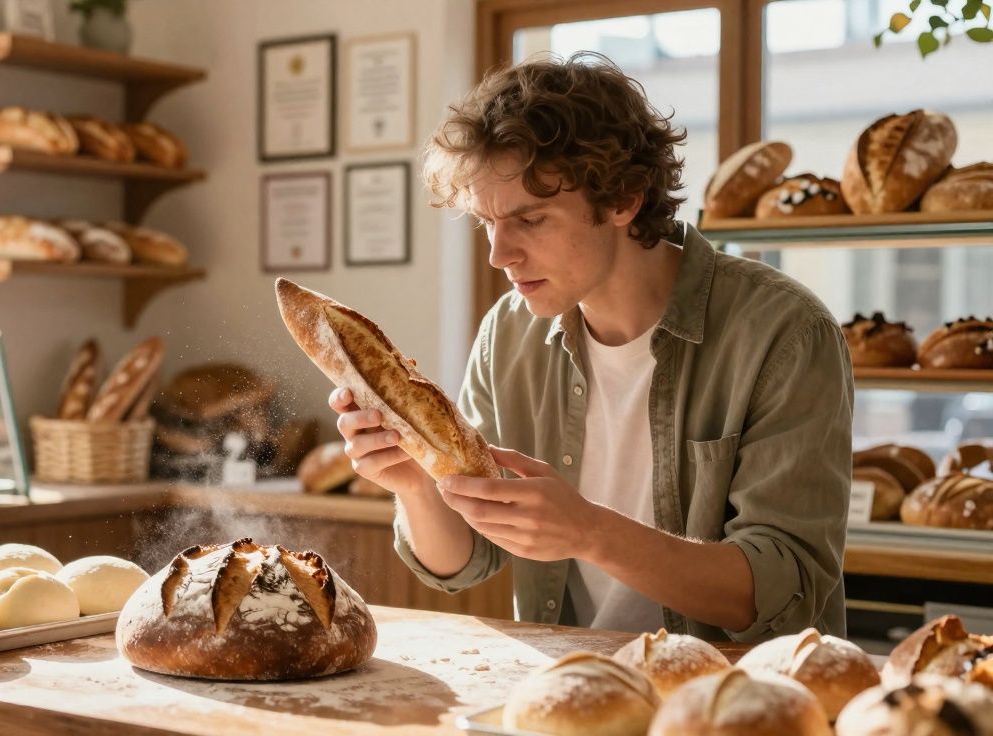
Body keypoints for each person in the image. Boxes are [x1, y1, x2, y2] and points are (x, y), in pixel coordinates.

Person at [328, 53, 852, 643]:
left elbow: (788, 589)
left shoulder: (784, 332)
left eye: (530, 219)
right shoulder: (509, 333)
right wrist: (414, 484)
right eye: (486, 224)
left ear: (623, 199)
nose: (500, 255)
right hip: (573, 693)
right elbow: (465, 561)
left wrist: (590, 532)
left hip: (735, 706)